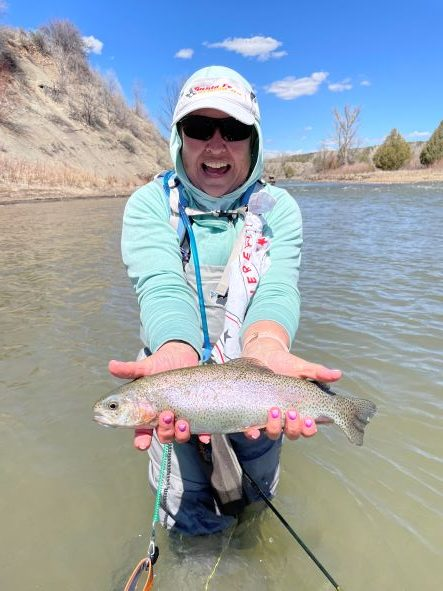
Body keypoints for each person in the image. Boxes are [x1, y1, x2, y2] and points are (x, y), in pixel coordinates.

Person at [108, 66, 342, 535]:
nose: (216, 145)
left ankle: (249, 551)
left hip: (255, 387)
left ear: (254, 142)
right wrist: (176, 350)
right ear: (179, 138)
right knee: (185, 513)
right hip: (175, 390)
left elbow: (277, 289)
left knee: (254, 505)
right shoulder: (150, 206)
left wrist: (267, 346)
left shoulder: (278, 210)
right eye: (200, 128)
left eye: (233, 130)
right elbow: (161, 285)